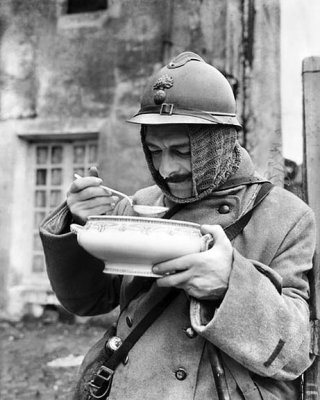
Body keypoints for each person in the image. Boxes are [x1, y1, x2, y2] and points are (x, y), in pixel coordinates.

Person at [40, 52, 316, 400]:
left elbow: (295, 354)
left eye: (182, 152)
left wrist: (229, 286)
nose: (167, 169)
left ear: (218, 143)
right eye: (154, 151)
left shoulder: (286, 216)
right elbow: (86, 302)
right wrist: (78, 220)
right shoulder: (142, 204)